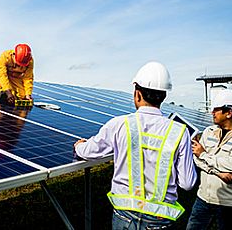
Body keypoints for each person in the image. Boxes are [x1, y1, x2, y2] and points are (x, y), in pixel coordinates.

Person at [74, 61, 197, 229]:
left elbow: (89, 151)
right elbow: (188, 183)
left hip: (125, 215)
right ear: (164, 96)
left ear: (137, 94)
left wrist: (79, 146)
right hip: (160, 219)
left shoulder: (119, 124)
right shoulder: (180, 132)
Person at [186, 88, 232, 230]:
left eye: (216, 110)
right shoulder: (209, 132)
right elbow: (197, 159)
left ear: (229, 113)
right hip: (203, 198)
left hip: (229, 204)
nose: (212, 113)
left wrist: (204, 155)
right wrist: (219, 173)